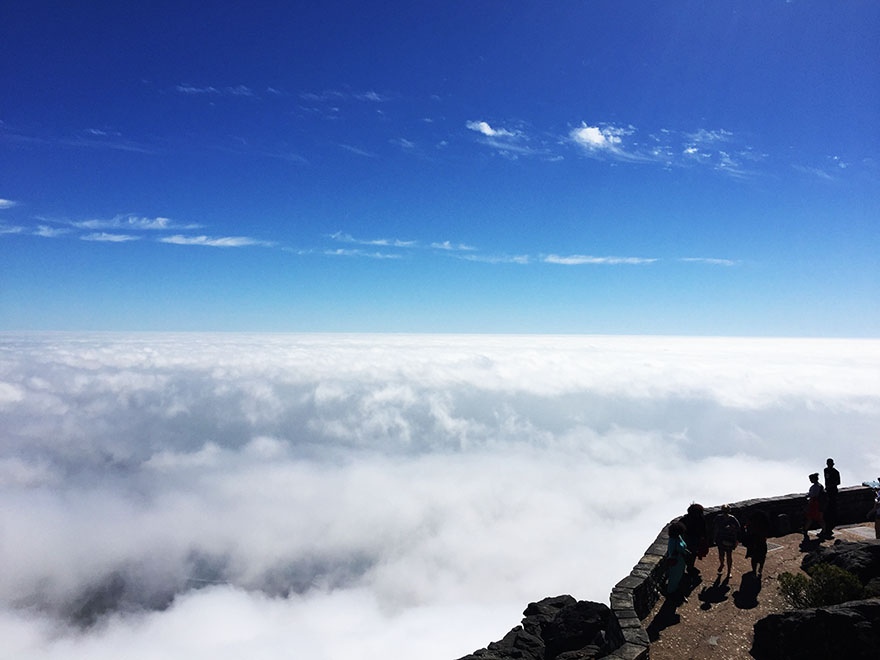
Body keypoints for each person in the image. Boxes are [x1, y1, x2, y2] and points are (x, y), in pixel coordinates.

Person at [681, 503, 708, 580]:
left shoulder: (686, 519)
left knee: (686, 553)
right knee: (692, 554)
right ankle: (690, 568)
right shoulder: (701, 519)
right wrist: (705, 538)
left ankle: (686, 568)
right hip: (695, 539)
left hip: (686, 538)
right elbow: (704, 530)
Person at [713, 504, 740, 579]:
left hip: (730, 538)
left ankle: (729, 571)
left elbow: (738, 528)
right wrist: (714, 538)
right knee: (721, 555)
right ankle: (722, 564)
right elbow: (716, 529)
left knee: (729, 556)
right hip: (721, 538)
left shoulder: (732, 519)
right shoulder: (718, 518)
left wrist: (731, 528)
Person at [665, 521, 689, 602]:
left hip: (681, 561)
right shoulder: (672, 540)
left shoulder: (678, 537)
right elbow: (671, 552)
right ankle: (671, 595)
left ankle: (675, 593)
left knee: (678, 577)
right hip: (676, 562)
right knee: (674, 578)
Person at [743, 510, 770, 577]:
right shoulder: (764, 519)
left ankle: (754, 571)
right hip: (761, 540)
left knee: (754, 557)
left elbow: (748, 530)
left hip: (754, 541)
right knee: (762, 556)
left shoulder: (752, 520)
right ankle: (760, 569)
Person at [803, 473, 825, 539]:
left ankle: (805, 530)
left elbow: (812, 495)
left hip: (815, 505)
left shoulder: (814, 487)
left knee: (811, 517)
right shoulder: (820, 486)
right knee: (819, 518)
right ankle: (824, 530)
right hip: (819, 504)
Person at [822, 458, 840, 538]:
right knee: (827, 508)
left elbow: (838, 482)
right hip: (827, 490)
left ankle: (832, 523)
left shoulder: (835, 472)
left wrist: (830, 486)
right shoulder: (825, 470)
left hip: (833, 491)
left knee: (832, 507)